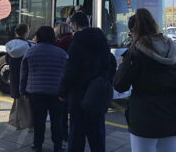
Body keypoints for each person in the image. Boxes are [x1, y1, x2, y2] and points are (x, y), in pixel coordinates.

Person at [113, 8, 176, 152]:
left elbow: (120, 85)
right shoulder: (172, 49)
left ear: (135, 32)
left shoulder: (135, 53)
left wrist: (122, 65)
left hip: (144, 118)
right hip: (171, 117)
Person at [58, 12, 116, 152]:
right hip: (97, 96)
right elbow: (111, 64)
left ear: (76, 24)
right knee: (97, 137)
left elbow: (71, 71)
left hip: (79, 97)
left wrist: (62, 91)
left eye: (71, 24)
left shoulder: (77, 42)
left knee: (76, 138)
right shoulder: (102, 40)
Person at [20, 26, 67, 152]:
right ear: (53, 37)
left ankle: (37, 145)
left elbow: (24, 74)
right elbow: (66, 75)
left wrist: (22, 90)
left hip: (35, 92)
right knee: (57, 121)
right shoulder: (61, 53)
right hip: (56, 93)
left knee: (38, 120)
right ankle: (58, 145)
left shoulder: (30, 52)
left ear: (38, 37)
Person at [5, 24, 33, 129]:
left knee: (17, 100)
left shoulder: (9, 45)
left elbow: (7, 60)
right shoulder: (28, 45)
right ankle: (26, 123)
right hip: (25, 77)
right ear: (25, 33)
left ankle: (15, 122)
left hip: (14, 76)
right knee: (26, 102)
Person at [54, 22, 74, 142]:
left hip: (60, 78)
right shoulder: (74, 40)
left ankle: (63, 134)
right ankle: (70, 133)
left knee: (61, 110)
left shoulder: (58, 43)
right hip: (72, 78)